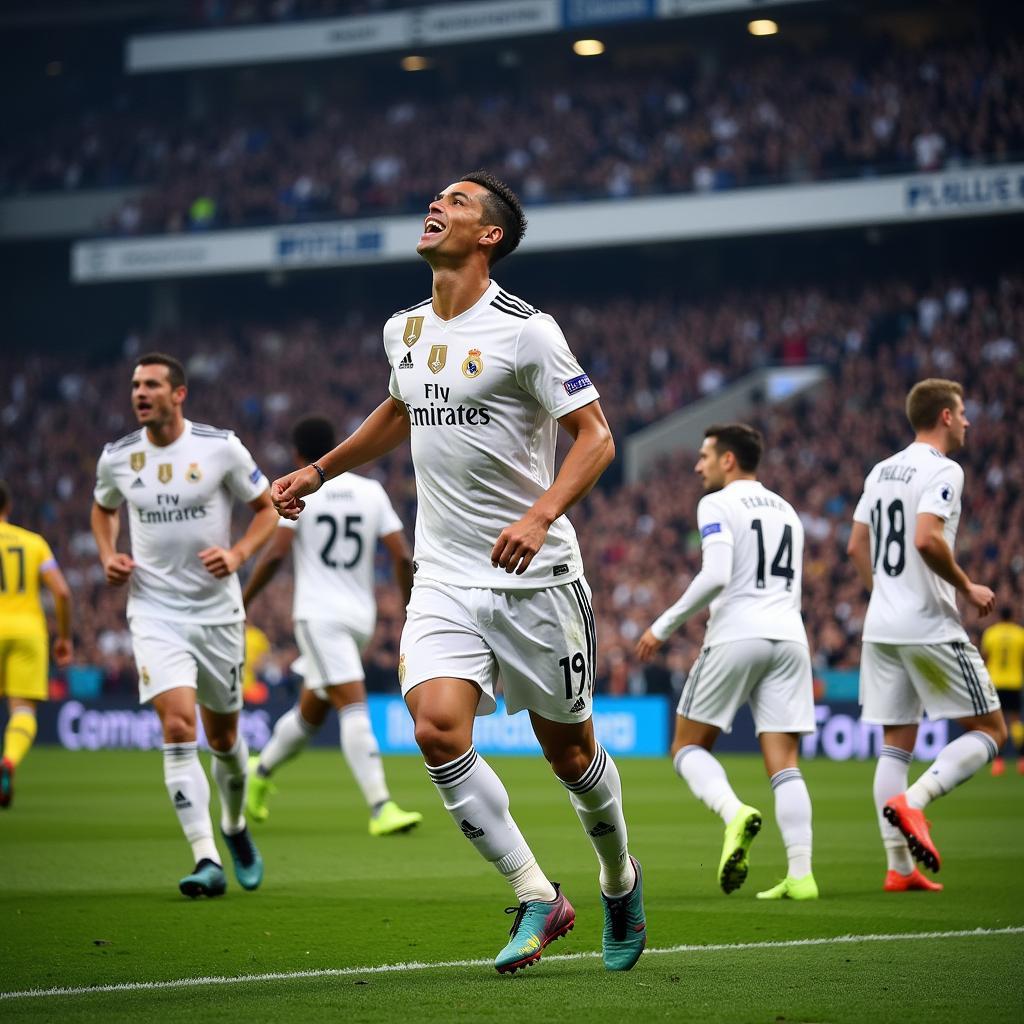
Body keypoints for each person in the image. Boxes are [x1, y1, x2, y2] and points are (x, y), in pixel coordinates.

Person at [269, 171, 645, 974]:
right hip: (445, 575)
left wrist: (540, 515)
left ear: (489, 237)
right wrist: (322, 471)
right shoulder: (401, 328)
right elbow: (400, 410)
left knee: (571, 756)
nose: (435, 206)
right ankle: (538, 894)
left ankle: (619, 878)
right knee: (437, 730)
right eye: (434, 198)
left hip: (537, 579)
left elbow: (597, 436)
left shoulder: (526, 331)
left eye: (458, 203)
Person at [91, 353, 278, 899]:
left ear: (179, 394)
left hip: (218, 612)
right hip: (154, 611)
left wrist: (239, 552)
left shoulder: (219, 447)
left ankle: (236, 826)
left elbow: (267, 509)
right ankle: (205, 856)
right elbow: (102, 509)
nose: (139, 393)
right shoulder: (118, 458)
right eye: (134, 385)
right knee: (177, 727)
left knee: (223, 739)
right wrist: (108, 553)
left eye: (151, 385)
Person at [636, 424, 818, 901]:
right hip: (790, 636)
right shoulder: (788, 511)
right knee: (785, 763)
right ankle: (801, 875)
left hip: (738, 632)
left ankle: (734, 812)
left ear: (729, 460)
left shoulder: (717, 503)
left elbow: (716, 574)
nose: (699, 466)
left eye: (704, 456)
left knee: (685, 747)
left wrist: (663, 625)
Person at [847, 378, 1006, 892]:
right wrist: (967, 586)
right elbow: (926, 537)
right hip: (929, 622)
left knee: (895, 745)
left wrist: (883, 596)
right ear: (942, 415)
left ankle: (899, 868)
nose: (966, 421)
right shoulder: (943, 469)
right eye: (961, 413)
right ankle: (913, 803)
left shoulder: (879, 470)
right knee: (993, 730)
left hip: (882, 627)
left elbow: (856, 547)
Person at [242, 414, 422, 836]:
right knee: (353, 705)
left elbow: (273, 556)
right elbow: (400, 555)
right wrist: (412, 606)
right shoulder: (371, 491)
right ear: (337, 444)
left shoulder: (301, 492)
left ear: (296, 454)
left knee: (311, 712)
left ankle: (260, 770)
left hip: (321, 612)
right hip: (348, 619)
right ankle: (381, 806)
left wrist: (244, 598)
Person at [0, 480, 74, 807]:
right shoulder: (34, 543)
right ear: (8, 506)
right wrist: (64, 638)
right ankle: (9, 762)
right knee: (23, 710)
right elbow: (61, 592)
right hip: (28, 630)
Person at [980, 608, 1024, 775]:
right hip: (1014, 682)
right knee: (1015, 722)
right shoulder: (1020, 634)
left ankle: (998, 762)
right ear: (1012, 616)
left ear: (999, 616)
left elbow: (985, 657)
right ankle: (1022, 760)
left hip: (995, 683)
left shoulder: (991, 633)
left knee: (997, 724)